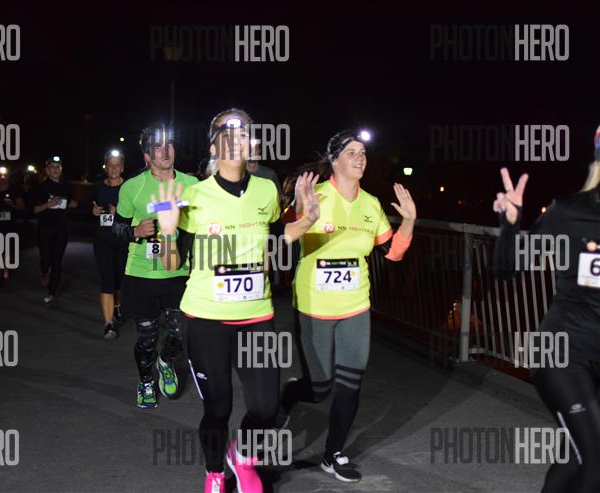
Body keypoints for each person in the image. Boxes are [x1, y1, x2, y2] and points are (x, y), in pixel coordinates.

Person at [154, 108, 320, 493]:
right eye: (227, 134)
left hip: (256, 316)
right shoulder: (193, 196)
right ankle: (215, 472)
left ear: (252, 145)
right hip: (206, 319)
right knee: (219, 408)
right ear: (213, 147)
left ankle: (242, 456)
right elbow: (170, 263)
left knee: (265, 408)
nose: (237, 140)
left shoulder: (266, 190)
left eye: (244, 134)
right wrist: (167, 232)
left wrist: (307, 220)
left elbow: (274, 238)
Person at [278, 129, 416, 483]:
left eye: (363, 153)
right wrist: (301, 212)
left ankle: (333, 453)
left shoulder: (370, 204)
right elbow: (282, 238)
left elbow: (392, 253)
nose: (359, 158)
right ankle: (291, 394)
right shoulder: (315, 195)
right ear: (334, 159)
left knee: (351, 384)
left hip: (355, 307)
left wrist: (409, 222)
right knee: (319, 387)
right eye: (351, 152)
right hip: (314, 305)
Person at [492, 126, 600, 493]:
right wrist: (510, 224)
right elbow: (507, 267)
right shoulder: (569, 211)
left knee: (577, 456)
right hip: (563, 353)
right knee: (596, 459)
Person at [111, 123, 198, 409]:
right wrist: (135, 231)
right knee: (147, 337)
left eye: (169, 145)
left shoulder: (192, 184)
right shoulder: (132, 187)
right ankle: (146, 381)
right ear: (147, 155)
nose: (165, 151)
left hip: (178, 271)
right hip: (142, 273)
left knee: (181, 335)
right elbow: (117, 228)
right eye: (158, 147)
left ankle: (166, 361)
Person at [92, 151, 128, 338]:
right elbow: (88, 207)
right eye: (110, 165)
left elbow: (136, 216)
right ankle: (108, 324)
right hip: (102, 240)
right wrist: (93, 211)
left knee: (119, 280)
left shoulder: (129, 187)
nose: (114, 168)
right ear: (105, 167)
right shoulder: (98, 186)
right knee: (107, 280)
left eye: (117, 165)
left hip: (123, 241)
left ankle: (118, 304)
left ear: (122, 167)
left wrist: (118, 214)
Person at [32, 156, 78, 305]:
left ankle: (52, 292)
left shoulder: (67, 186)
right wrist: (48, 204)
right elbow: (34, 210)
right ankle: (44, 272)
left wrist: (73, 203)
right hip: (45, 228)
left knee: (57, 261)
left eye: (58, 167)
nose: (55, 169)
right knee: (46, 260)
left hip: (61, 228)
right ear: (47, 170)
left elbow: (73, 202)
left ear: (61, 169)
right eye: (52, 167)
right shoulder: (40, 187)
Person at [0, 166, 25, 284]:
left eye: (5, 175)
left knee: (7, 248)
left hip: (10, 223)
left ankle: (6, 270)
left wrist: (12, 204)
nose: (3, 177)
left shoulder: (14, 189)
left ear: (9, 177)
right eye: (0, 175)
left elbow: (22, 206)